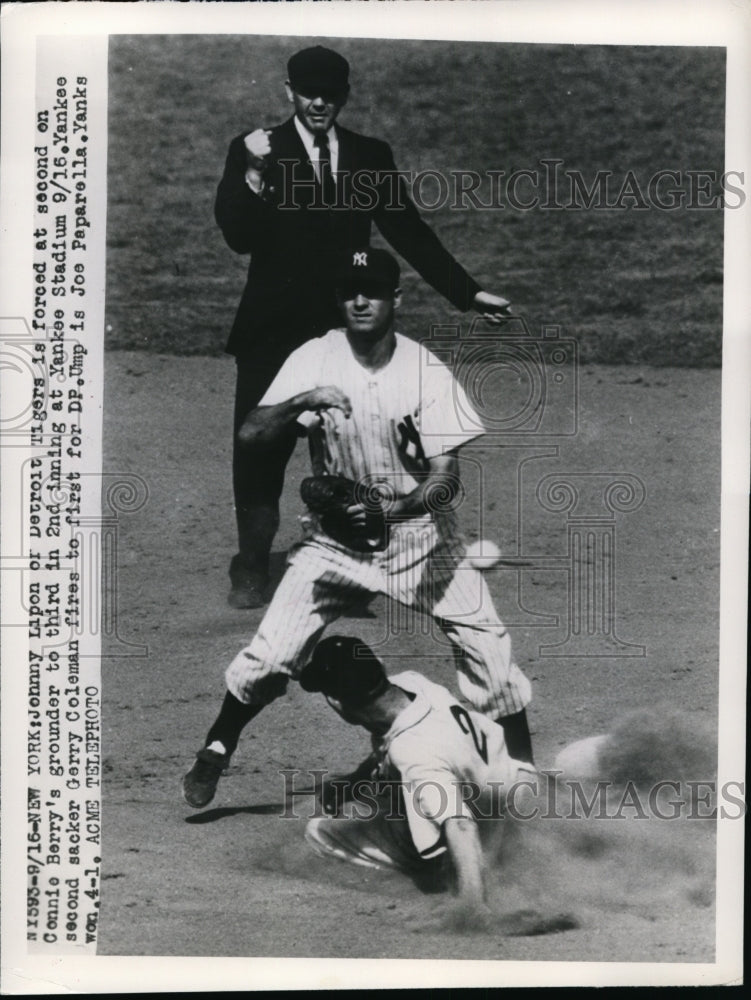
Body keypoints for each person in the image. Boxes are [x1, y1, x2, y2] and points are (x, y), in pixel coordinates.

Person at [181, 246, 533, 810]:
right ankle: (216, 750)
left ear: (397, 298)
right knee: (271, 655)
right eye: (349, 291)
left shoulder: (426, 371)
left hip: (424, 540)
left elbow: (446, 482)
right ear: (338, 298)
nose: (360, 300)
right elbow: (251, 434)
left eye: (372, 291)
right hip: (335, 543)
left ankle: (521, 775)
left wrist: (390, 513)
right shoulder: (314, 358)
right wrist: (304, 398)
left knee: (489, 653)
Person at [215, 44, 514, 608]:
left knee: (342, 449)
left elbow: (406, 227)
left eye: (330, 92)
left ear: (345, 96)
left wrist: (466, 291)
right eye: (307, 91)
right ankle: (251, 562)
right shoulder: (257, 149)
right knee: (260, 450)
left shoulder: (368, 155)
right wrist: (252, 170)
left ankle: (343, 561)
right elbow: (239, 236)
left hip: (340, 329)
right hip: (271, 327)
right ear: (289, 92)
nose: (318, 102)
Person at [298, 635, 537, 922]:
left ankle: (447, 877)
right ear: (381, 669)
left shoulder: (414, 753)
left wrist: (473, 903)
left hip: (486, 836)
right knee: (395, 789)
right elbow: (390, 739)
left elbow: (459, 823)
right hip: (519, 792)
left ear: (336, 702)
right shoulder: (413, 684)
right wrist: (353, 781)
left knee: (321, 832)